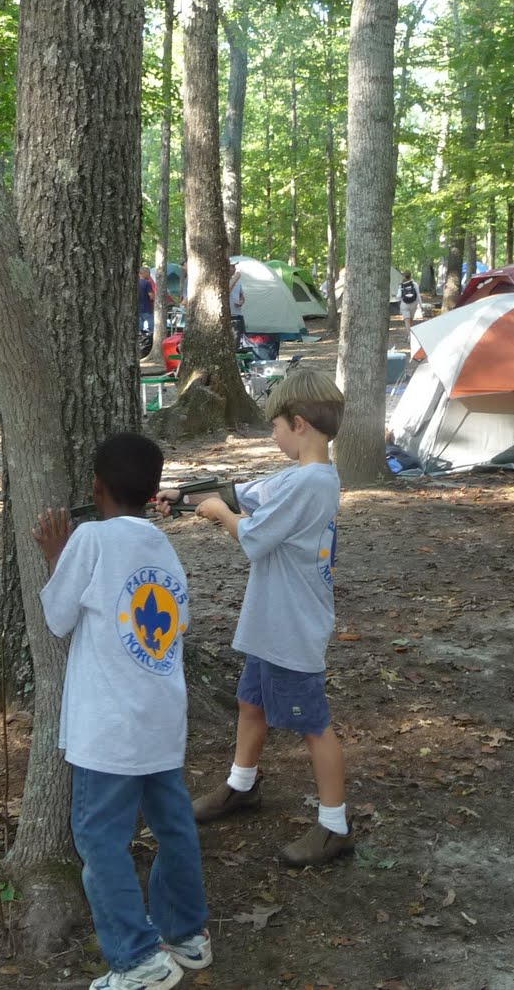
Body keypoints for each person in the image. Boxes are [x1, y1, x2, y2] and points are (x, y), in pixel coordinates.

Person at [33, 433, 211, 990]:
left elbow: (58, 619)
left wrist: (55, 559)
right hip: (160, 720)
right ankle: (185, 934)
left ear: (97, 487)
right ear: (154, 491)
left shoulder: (88, 538)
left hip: (108, 729)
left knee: (100, 841)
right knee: (174, 826)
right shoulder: (162, 545)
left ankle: (137, 961)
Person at [163, 370, 351, 867]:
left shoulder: (312, 483)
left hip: (294, 625)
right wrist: (182, 497)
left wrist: (216, 514)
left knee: (314, 725)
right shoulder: (299, 477)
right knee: (251, 704)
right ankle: (240, 787)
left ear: (300, 423)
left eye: (275, 427)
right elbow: (246, 493)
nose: (272, 435)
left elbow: (252, 537)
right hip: (273, 621)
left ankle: (335, 826)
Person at [137, 269, 157, 335]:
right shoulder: (147, 283)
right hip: (147, 308)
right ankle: (150, 340)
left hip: (138, 308)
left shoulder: (135, 282)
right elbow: (151, 295)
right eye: (148, 273)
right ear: (143, 273)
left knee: (140, 328)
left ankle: (141, 340)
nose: (149, 274)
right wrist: (153, 299)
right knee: (151, 327)